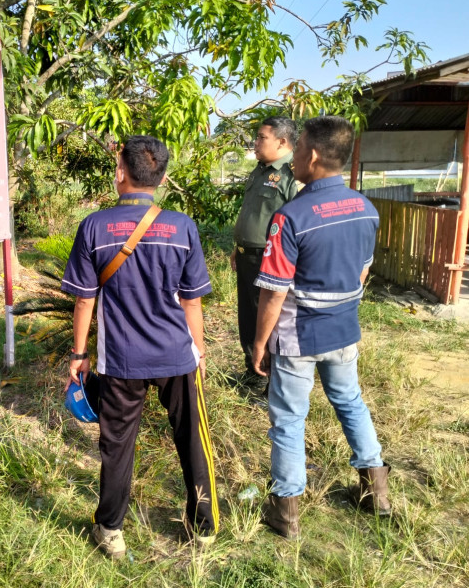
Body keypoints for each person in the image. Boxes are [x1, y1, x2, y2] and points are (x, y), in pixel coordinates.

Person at [61, 135, 219, 559]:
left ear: (120, 174)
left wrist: (79, 355)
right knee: (192, 440)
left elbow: (84, 299)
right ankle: (203, 528)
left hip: (121, 360)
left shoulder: (94, 226)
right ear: (162, 177)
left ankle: (110, 530)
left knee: (117, 446)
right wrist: (198, 351)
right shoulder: (183, 227)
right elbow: (192, 300)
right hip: (177, 355)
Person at [252, 116, 391, 539]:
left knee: (289, 419)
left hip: (298, 336)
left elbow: (274, 292)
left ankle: (287, 513)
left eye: (299, 149)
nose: (293, 158)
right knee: (350, 402)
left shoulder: (290, 217)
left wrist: (259, 343)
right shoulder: (366, 209)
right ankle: (376, 495)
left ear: (311, 155)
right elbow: (362, 273)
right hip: (344, 330)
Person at [231, 116, 298, 386]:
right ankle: (253, 371)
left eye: (261, 138)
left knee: (268, 321)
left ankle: (271, 379)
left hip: (271, 259)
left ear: (282, 141)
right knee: (247, 317)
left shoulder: (292, 174)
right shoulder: (260, 170)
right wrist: (239, 247)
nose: (255, 143)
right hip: (248, 255)